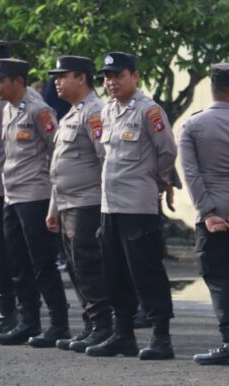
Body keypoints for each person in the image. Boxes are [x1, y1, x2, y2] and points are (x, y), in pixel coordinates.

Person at [85, 52, 177, 361]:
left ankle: (161, 336)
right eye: (107, 77)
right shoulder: (107, 112)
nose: (111, 82)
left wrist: (158, 183)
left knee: (146, 271)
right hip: (110, 206)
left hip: (138, 204)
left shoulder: (148, 111)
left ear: (134, 76)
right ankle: (122, 334)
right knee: (115, 273)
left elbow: (167, 151)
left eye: (118, 75)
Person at [180, 63, 229, 366]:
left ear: (211, 90)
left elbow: (191, 173)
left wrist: (207, 212)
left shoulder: (192, 125)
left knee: (218, 278)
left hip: (211, 215)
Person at [0, 58, 69, 347]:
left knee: (42, 263)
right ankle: (29, 321)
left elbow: (57, 150)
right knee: (17, 262)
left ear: (18, 81)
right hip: (11, 195)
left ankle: (59, 323)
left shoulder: (39, 110)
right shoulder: (9, 110)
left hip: (35, 196)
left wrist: (54, 193)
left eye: (1, 81)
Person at [44, 56, 113, 353]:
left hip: (89, 202)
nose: (57, 82)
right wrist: (53, 209)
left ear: (81, 78)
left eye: (63, 76)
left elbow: (105, 159)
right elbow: (59, 167)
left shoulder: (95, 112)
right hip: (68, 202)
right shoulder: (72, 113)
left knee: (88, 266)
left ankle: (102, 326)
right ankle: (90, 323)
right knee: (75, 267)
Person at [0, 42, 15, 335]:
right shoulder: (11, 100)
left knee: (1, 251)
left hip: (1, 186)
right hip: (7, 186)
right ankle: (9, 308)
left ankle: (5, 310)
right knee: (6, 250)